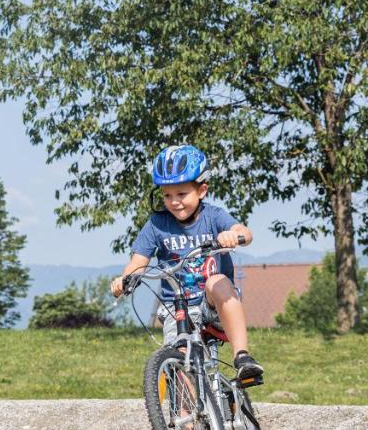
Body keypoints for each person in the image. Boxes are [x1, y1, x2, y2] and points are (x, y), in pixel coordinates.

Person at [110, 144, 264, 386]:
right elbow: (138, 263)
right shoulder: (157, 224)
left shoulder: (213, 216)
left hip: (212, 304)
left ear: (202, 190)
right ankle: (189, 422)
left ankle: (242, 357)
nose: (174, 202)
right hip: (176, 309)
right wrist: (124, 280)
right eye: (167, 195)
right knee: (181, 371)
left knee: (217, 281)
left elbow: (244, 231)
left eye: (182, 194)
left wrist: (234, 235)